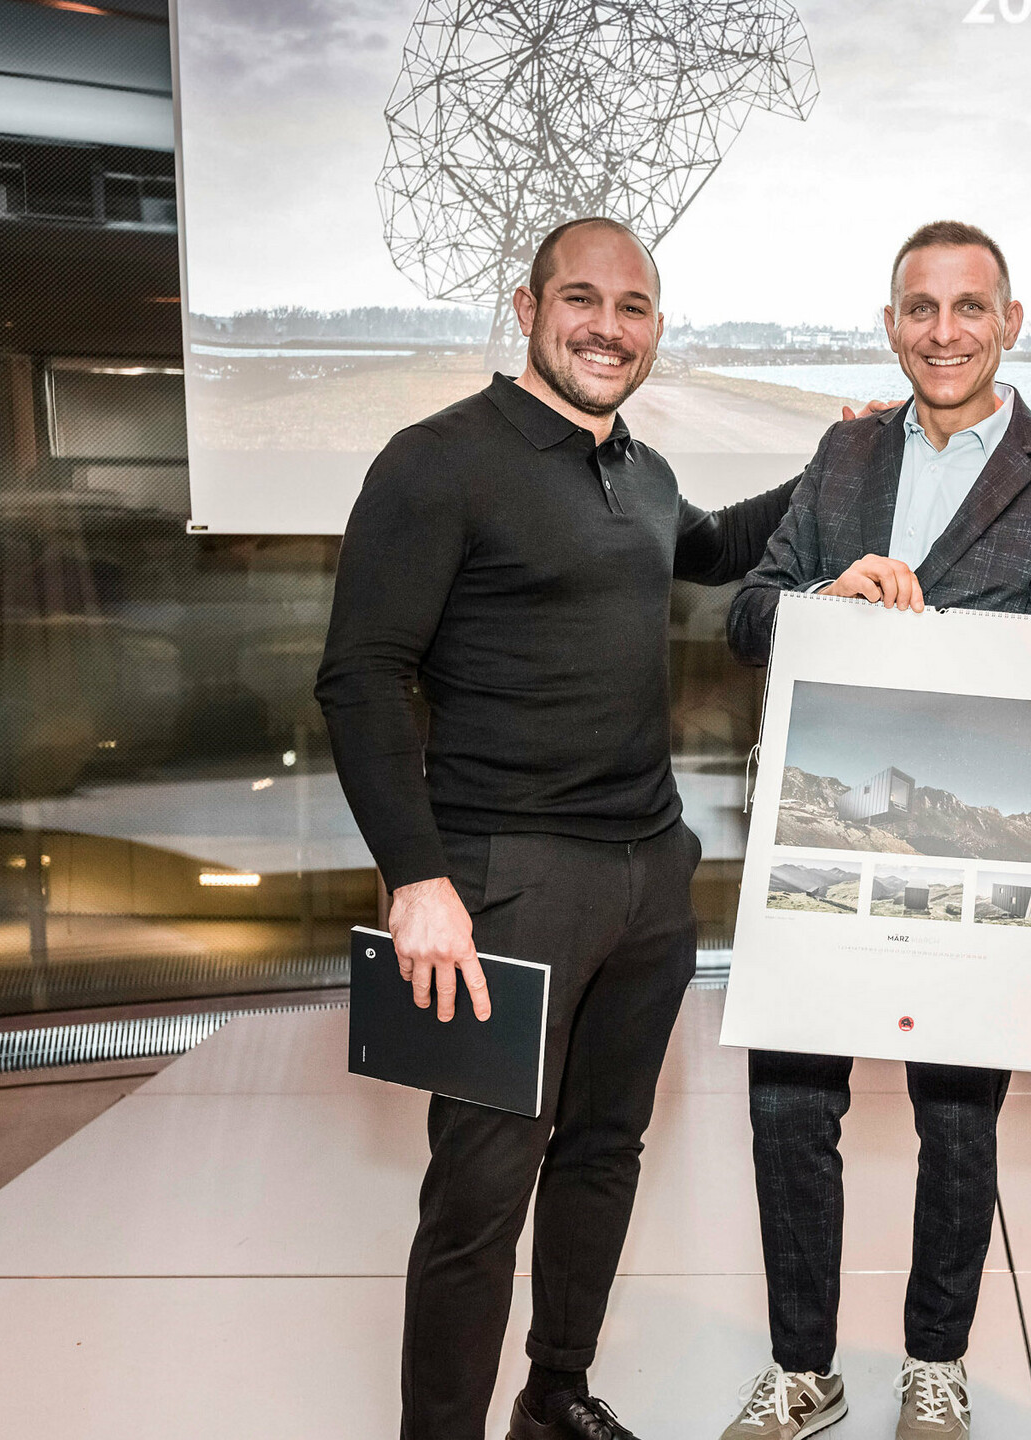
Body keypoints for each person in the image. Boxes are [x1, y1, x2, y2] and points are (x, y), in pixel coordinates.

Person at [314, 216, 797, 1440]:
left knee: (604, 1155)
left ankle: (556, 1395)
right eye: (581, 299)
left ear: (656, 330)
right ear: (523, 307)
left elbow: (706, 550)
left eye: (633, 308)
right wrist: (417, 877)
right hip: (504, 883)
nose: (607, 326)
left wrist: (844, 465)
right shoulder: (437, 462)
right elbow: (362, 676)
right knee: (478, 1197)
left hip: (647, 875)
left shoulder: (640, 471)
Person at [717, 220, 1031, 1440]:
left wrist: (922, 636)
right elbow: (744, 616)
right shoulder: (839, 459)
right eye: (919, 308)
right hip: (822, 843)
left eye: (968, 308)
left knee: (959, 1121)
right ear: (890, 322)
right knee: (789, 1105)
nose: (943, 331)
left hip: (972, 866)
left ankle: (934, 1366)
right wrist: (819, 604)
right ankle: (802, 1368)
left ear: (1010, 322)